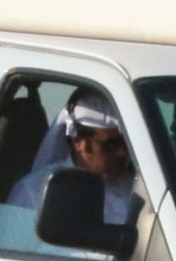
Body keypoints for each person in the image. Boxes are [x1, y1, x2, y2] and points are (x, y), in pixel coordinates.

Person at [9, 90, 138, 225]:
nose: (123, 153)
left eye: (126, 144)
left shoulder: (138, 189)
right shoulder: (34, 192)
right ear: (79, 143)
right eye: (112, 145)